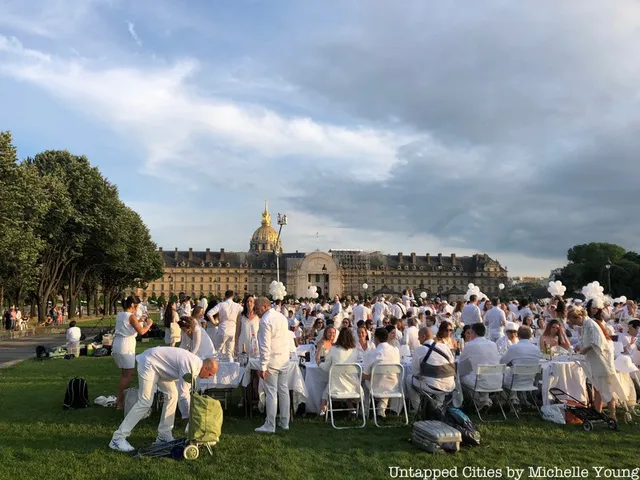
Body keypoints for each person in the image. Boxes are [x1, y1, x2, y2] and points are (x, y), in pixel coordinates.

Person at [109, 347, 218, 452]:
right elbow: (184, 394)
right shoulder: (191, 367)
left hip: (159, 366)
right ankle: (117, 438)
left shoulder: (195, 366)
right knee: (145, 401)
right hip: (150, 363)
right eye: (209, 374)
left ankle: (164, 435)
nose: (208, 377)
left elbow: (184, 394)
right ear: (206, 368)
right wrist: (189, 419)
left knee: (172, 395)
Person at [568, 307, 617, 420]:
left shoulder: (591, 324)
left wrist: (584, 350)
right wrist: (579, 346)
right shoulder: (585, 325)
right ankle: (597, 412)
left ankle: (613, 415)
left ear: (579, 317)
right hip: (594, 361)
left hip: (601, 362)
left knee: (606, 388)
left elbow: (597, 343)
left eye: (575, 321)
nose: (575, 324)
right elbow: (587, 340)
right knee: (597, 387)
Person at [254, 296, 291, 433]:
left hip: (272, 361)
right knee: (283, 391)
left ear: (264, 306)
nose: (256, 312)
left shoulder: (265, 321)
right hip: (284, 359)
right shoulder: (281, 317)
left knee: (271, 393)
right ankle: (284, 422)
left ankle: (270, 424)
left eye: (257, 309)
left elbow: (265, 346)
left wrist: (262, 366)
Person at [113, 296, 153, 409]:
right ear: (132, 305)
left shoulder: (121, 315)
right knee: (127, 376)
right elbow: (141, 331)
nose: (137, 308)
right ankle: (120, 402)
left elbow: (127, 325)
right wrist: (149, 324)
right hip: (126, 346)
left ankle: (119, 399)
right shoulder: (131, 316)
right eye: (137, 306)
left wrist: (139, 321)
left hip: (118, 343)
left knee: (124, 374)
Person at [406, 327, 456, 412]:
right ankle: (438, 406)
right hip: (450, 385)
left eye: (419, 336)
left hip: (432, 387)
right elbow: (452, 363)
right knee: (440, 379)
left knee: (408, 379)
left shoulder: (419, 350)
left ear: (424, 336)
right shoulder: (445, 347)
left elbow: (415, 372)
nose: (418, 338)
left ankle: (417, 408)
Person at [177, 316, 216, 419]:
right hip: (194, 357)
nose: (184, 332)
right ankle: (188, 406)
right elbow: (183, 345)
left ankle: (195, 401)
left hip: (205, 355)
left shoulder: (197, 330)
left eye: (185, 330)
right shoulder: (185, 331)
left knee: (197, 377)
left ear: (189, 327)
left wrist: (188, 359)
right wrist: (177, 353)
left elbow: (196, 347)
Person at [458, 323, 501, 409]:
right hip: (497, 381)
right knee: (480, 374)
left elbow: (461, 361)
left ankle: (470, 402)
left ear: (473, 333)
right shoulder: (493, 344)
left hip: (480, 381)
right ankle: (484, 400)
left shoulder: (470, 344)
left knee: (459, 377)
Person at [318, 328, 358, 416]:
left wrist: (319, 363)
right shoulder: (354, 351)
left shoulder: (334, 349)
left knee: (326, 390)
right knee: (345, 385)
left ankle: (323, 409)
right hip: (352, 386)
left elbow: (325, 368)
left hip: (335, 386)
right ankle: (351, 408)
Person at [363, 327, 401, 418]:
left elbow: (365, 374)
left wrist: (372, 377)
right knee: (386, 379)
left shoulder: (373, 353)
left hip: (377, 386)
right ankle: (381, 410)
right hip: (393, 386)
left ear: (376, 339)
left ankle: (364, 411)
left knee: (365, 381)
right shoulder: (395, 351)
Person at [206, 290, 243, 361]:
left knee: (217, 351)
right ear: (232, 296)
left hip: (223, 329)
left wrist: (214, 323)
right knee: (230, 353)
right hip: (233, 330)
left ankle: (215, 367)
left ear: (225, 296)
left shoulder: (221, 305)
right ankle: (230, 368)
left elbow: (209, 313)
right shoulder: (237, 306)